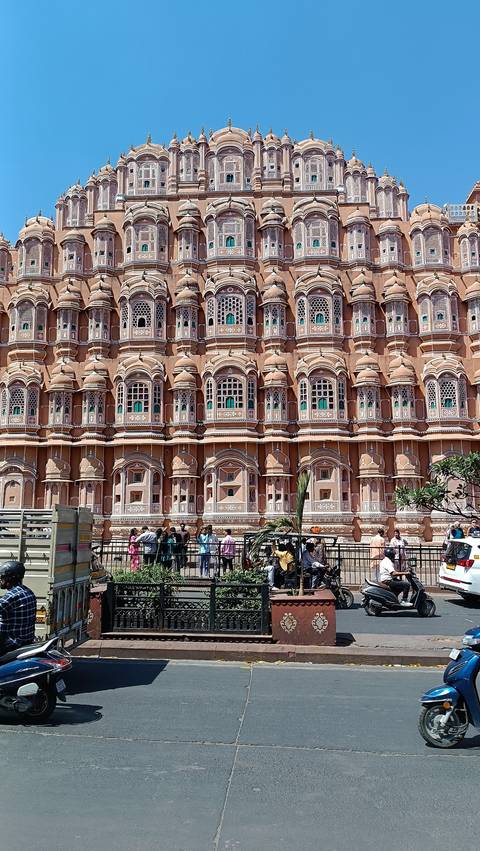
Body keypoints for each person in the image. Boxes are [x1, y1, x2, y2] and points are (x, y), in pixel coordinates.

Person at [0, 561, 36, 654]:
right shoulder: (29, 592)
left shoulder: (10, 597)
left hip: (11, 644)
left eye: (2, 577)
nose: (0, 580)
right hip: (26, 641)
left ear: (10, 578)